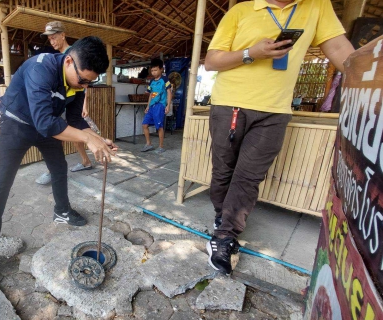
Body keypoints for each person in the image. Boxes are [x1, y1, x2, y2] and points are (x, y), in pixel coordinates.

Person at [204, 0, 354, 275]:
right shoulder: (241, 10)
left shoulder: (317, 6)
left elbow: (339, 48)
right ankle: (220, 214)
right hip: (231, 104)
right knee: (224, 168)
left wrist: (372, 79)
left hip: (276, 109)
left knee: (249, 175)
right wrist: (251, 53)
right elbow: (212, 61)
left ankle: (225, 235)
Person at [0, 36, 115, 283]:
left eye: (90, 82)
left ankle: (62, 211)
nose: (84, 87)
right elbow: (44, 121)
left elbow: (75, 120)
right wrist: (88, 140)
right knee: (1, 181)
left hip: (48, 125)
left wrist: (97, 137)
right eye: (83, 80)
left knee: (59, 167)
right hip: (17, 124)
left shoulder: (78, 83)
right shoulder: (41, 67)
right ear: (69, 61)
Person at [36, 21, 95, 185]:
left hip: (71, 101)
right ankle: (85, 161)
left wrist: (84, 105)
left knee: (59, 133)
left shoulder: (73, 55)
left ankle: (53, 170)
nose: (52, 41)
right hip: (63, 101)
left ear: (63, 35)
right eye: (49, 39)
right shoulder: (59, 56)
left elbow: (84, 83)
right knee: (70, 133)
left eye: (54, 37)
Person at [141, 58, 171, 154]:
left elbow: (169, 92)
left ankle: (161, 146)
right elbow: (151, 94)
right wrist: (148, 106)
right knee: (144, 125)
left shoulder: (165, 80)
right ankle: (148, 144)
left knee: (159, 127)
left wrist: (168, 105)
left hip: (160, 105)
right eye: (152, 70)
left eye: (156, 70)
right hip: (152, 106)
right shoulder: (151, 81)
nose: (153, 72)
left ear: (161, 69)